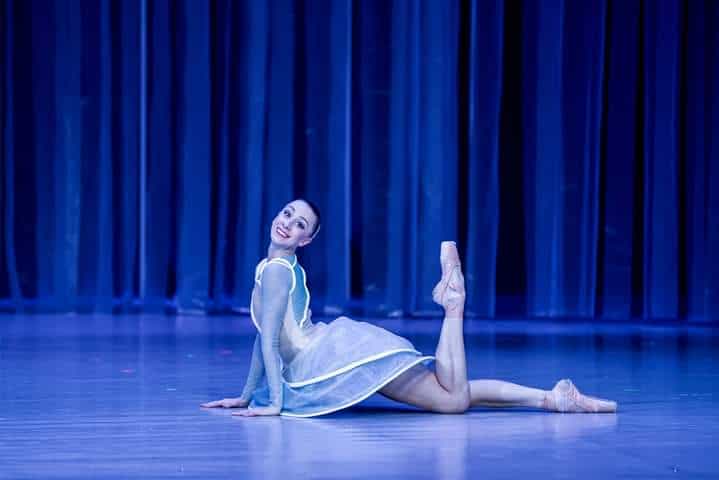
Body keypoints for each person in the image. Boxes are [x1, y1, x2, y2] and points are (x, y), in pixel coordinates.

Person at [202, 199, 617, 417]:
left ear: (305, 240)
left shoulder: (275, 270)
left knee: (451, 400)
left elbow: (272, 345)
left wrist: (273, 402)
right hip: (331, 352)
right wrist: (245, 395)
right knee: (451, 392)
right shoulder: (274, 267)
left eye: (300, 225)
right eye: (288, 214)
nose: (288, 223)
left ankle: (454, 305)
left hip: (330, 359)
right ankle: (553, 399)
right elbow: (264, 338)